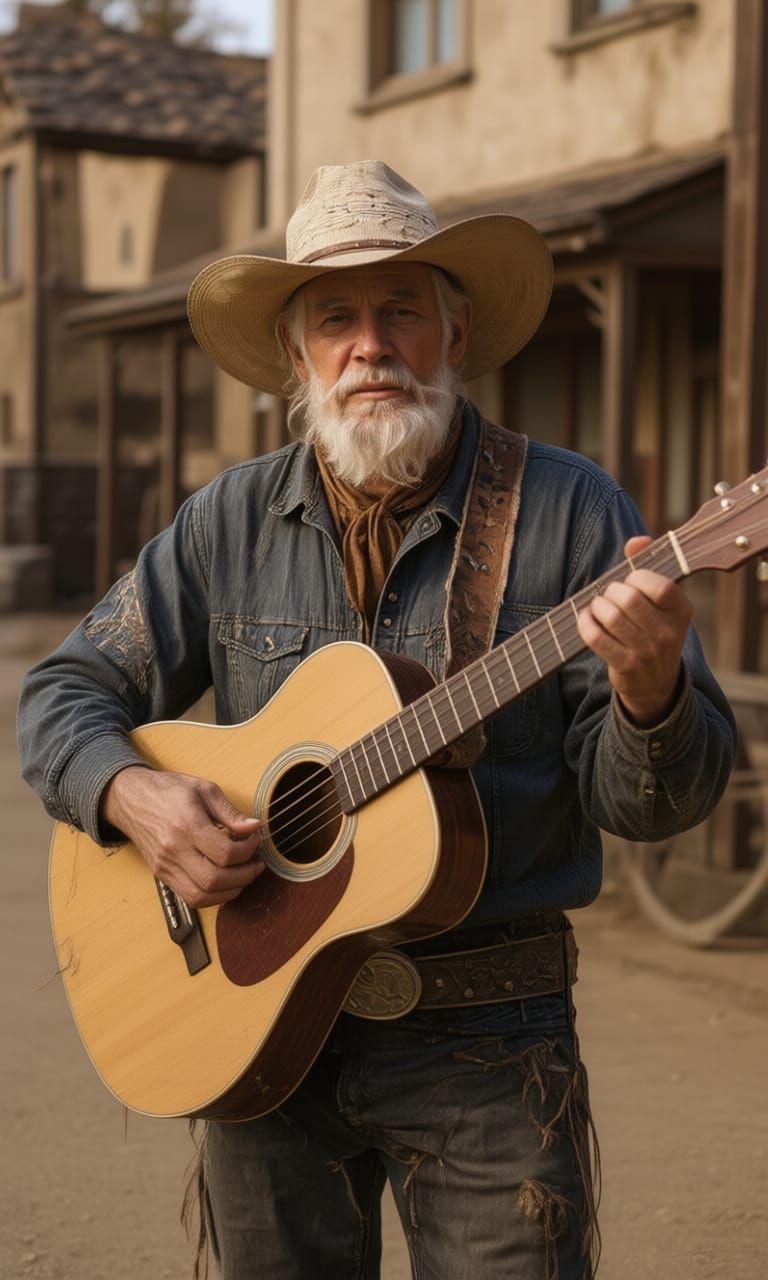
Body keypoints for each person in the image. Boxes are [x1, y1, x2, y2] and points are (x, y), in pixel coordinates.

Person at [18, 160, 735, 1280]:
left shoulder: (574, 510)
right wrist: (134, 793)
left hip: (491, 1043)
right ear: (296, 355)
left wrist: (651, 691)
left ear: (456, 329)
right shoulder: (228, 519)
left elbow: (654, 802)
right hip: (256, 1034)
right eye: (337, 317)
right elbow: (63, 692)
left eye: (403, 307)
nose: (372, 343)